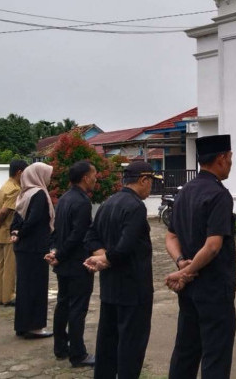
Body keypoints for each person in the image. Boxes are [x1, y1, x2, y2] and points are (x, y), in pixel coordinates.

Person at [165, 134, 236, 379]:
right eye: (230, 158)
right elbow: (213, 246)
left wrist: (181, 263)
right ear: (221, 158)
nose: (230, 163)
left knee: (186, 350)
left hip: (189, 291)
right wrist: (186, 270)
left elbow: (170, 237)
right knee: (215, 355)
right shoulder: (219, 195)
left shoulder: (185, 191)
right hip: (214, 289)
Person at [83, 161, 157, 379]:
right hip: (133, 288)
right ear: (144, 180)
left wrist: (102, 256)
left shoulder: (109, 202)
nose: (151, 187)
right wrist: (107, 258)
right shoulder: (135, 206)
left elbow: (90, 236)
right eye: (151, 182)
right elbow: (126, 245)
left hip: (111, 287)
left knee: (108, 341)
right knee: (131, 345)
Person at [47, 161, 97, 368]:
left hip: (65, 262)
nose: (96, 178)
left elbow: (57, 231)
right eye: (94, 174)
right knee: (77, 308)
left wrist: (55, 251)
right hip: (78, 263)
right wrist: (60, 254)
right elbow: (78, 235)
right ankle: (78, 354)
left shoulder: (65, 199)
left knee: (63, 304)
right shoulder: (82, 202)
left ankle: (61, 347)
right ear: (85, 177)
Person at [11, 162, 55, 338]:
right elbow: (35, 219)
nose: (50, 179)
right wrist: (21, 232)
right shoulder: (38, 194)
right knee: (36, 287)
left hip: (23, 247)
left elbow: (17, 219)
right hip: (35, 247)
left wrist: (16, 232)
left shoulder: (24, 194)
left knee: (24, 287)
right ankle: (34, 327)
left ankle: (23, 325)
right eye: (47, 175)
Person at [0, 159, 27, 306]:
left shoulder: (4, 186)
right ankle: (9, 296)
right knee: (10, 267)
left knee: (1, 266)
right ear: (19, 172)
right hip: (8, 231)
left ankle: (1, 296)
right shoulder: (15, 189)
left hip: (0, 232)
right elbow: (6, 210)